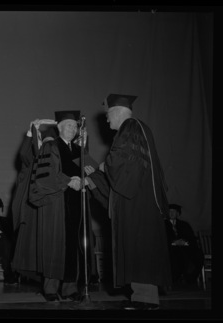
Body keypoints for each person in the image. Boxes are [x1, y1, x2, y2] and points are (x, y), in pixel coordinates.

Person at [87, 93, 172, 310]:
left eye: (108, 116)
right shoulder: (141, 128)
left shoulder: (130, 128)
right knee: (141, 248)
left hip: (136, 203)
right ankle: (143, 297)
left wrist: (107, 165)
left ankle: (144, 299)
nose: (107, 121)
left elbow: (123, 162)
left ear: (116, 113)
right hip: (142, 199)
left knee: (138, 247)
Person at [28, 111, 97, 302]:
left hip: (76, 204)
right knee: (55, 244)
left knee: (74, 246)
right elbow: (45, 176)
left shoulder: (78, 151)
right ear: (59, 128)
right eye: (69, 125)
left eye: (75, 126)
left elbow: (90, 173)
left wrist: (86, 181)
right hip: (56, 204)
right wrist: (68, 181)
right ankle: (50, 288)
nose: (73, 129)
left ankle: (69, 288)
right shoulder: (51, 146)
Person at [11, 119, 57, 284]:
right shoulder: (32, 161)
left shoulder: (57, 159)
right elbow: (24, 154)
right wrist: (32, 131)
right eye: (46, 143)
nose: (49, 148)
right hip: (33, 209)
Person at [165, 203, 203, 285]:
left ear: (178, 213)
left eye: (174, 211)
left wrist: (185, 242)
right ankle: (174, 279)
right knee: (174, 255)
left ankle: (190, 278)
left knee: (198, 254)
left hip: (185, 248)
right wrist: (173, 242)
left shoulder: (184, 225)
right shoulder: (163, 224)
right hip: (170, 249)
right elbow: (161, 238)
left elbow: (191, 238)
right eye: (169, 211)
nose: (171, 213)